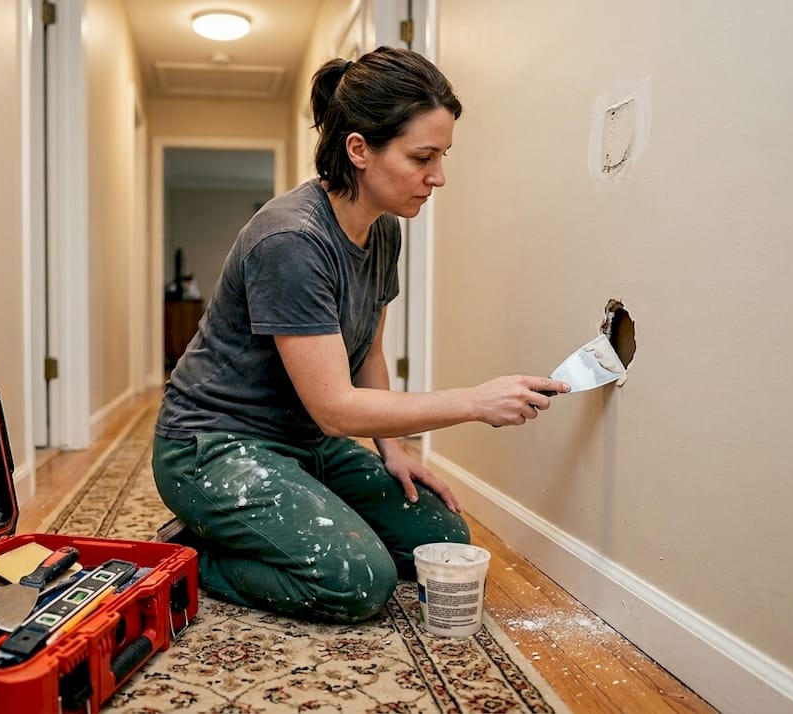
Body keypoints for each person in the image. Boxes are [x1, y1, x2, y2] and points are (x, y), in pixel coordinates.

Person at [153, 46, 570, 624]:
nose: (438, 177)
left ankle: (265, 520)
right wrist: (474, 402)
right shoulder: (291, 242)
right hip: (214, 446)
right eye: (422, 156)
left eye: (443, 155)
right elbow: (336, 410)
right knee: (356, 579)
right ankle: (190, 554)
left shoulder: (384, 232)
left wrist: (393, 453)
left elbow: (367, 351)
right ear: (358, 150)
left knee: (437, 534)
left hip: (303, 444)